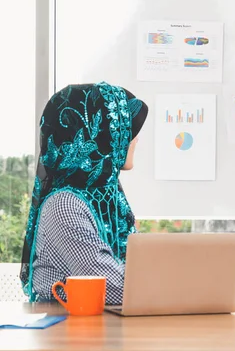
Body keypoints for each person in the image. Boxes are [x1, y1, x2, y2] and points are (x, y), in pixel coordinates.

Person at [20, 82, 148, 305]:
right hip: (68, 331)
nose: (136, 140)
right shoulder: (65, 205)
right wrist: (177, 284)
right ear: (103, 136)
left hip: (107, 326)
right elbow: (107, 286)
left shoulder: (107, 195)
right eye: (127, 132)